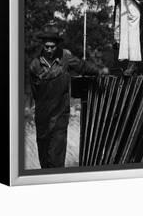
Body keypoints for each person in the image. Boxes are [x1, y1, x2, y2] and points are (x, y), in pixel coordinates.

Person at [30, 26, 107, 168]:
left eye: (52, 47)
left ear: (57, 45)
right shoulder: (35, 65)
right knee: (44, 159)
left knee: (56, 160)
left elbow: (82, 66)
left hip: (60, 116)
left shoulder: (65, 57)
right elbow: (35, 92)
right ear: (43, 45)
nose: (49, 50)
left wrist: (99, 71)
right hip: (42, 118)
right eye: (46, 47)